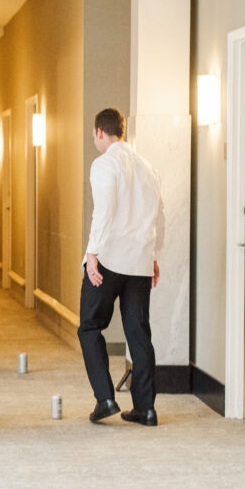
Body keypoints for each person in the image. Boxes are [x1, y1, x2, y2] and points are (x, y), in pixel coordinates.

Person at [79, 108, 165, 427]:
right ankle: (145, 408)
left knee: (89, 326)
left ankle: (105, 398)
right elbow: (160, 215)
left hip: (109, 260)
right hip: (140, 262)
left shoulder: (104, 164)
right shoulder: (148, 167)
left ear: (100, 132)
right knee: (138, 333)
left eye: (94, 135)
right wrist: (154, 255)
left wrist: (92, 254)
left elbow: (103, 211)